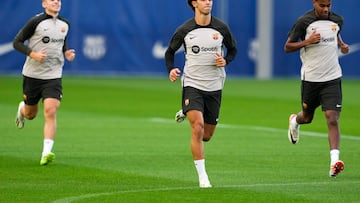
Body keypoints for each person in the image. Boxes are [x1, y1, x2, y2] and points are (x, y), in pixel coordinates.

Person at [165, 0, 237, 188]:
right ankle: (203, 177)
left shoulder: (221, 28)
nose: (208, 2)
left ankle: (185, 110)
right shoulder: (185, 30)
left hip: (214, 85)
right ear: (194, 3)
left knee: (206, 135)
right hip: (192, 84)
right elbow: (170, 52)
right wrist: (171, 69)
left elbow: (233, 50)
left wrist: (225, 61)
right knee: (197, 127)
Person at [284, 0, 349, 177]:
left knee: (332, 118)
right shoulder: (304, 22)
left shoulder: (338, 20)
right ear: (314, 3)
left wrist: (342, 45)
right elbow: (287, 47)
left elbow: (335, 34)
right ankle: (295, 121)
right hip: (311, 80)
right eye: (322, 5)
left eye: (328, 5)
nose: (326, 9)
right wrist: (308, 41)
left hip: (332, 78)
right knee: (307, 117)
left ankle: (334, 162)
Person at [13, 0, 75, 166]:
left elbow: (62, 44)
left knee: (50, 110)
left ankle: (46, 152)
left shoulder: (65, 24)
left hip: (53, 76)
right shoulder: (36, 22)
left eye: (58, 0)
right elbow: (16, 42)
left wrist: (67, 53)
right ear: (44, 4)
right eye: (52, 0)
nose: (56, 2)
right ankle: (22, 108)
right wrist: (32, 54)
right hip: (32, 75)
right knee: (31, 114)